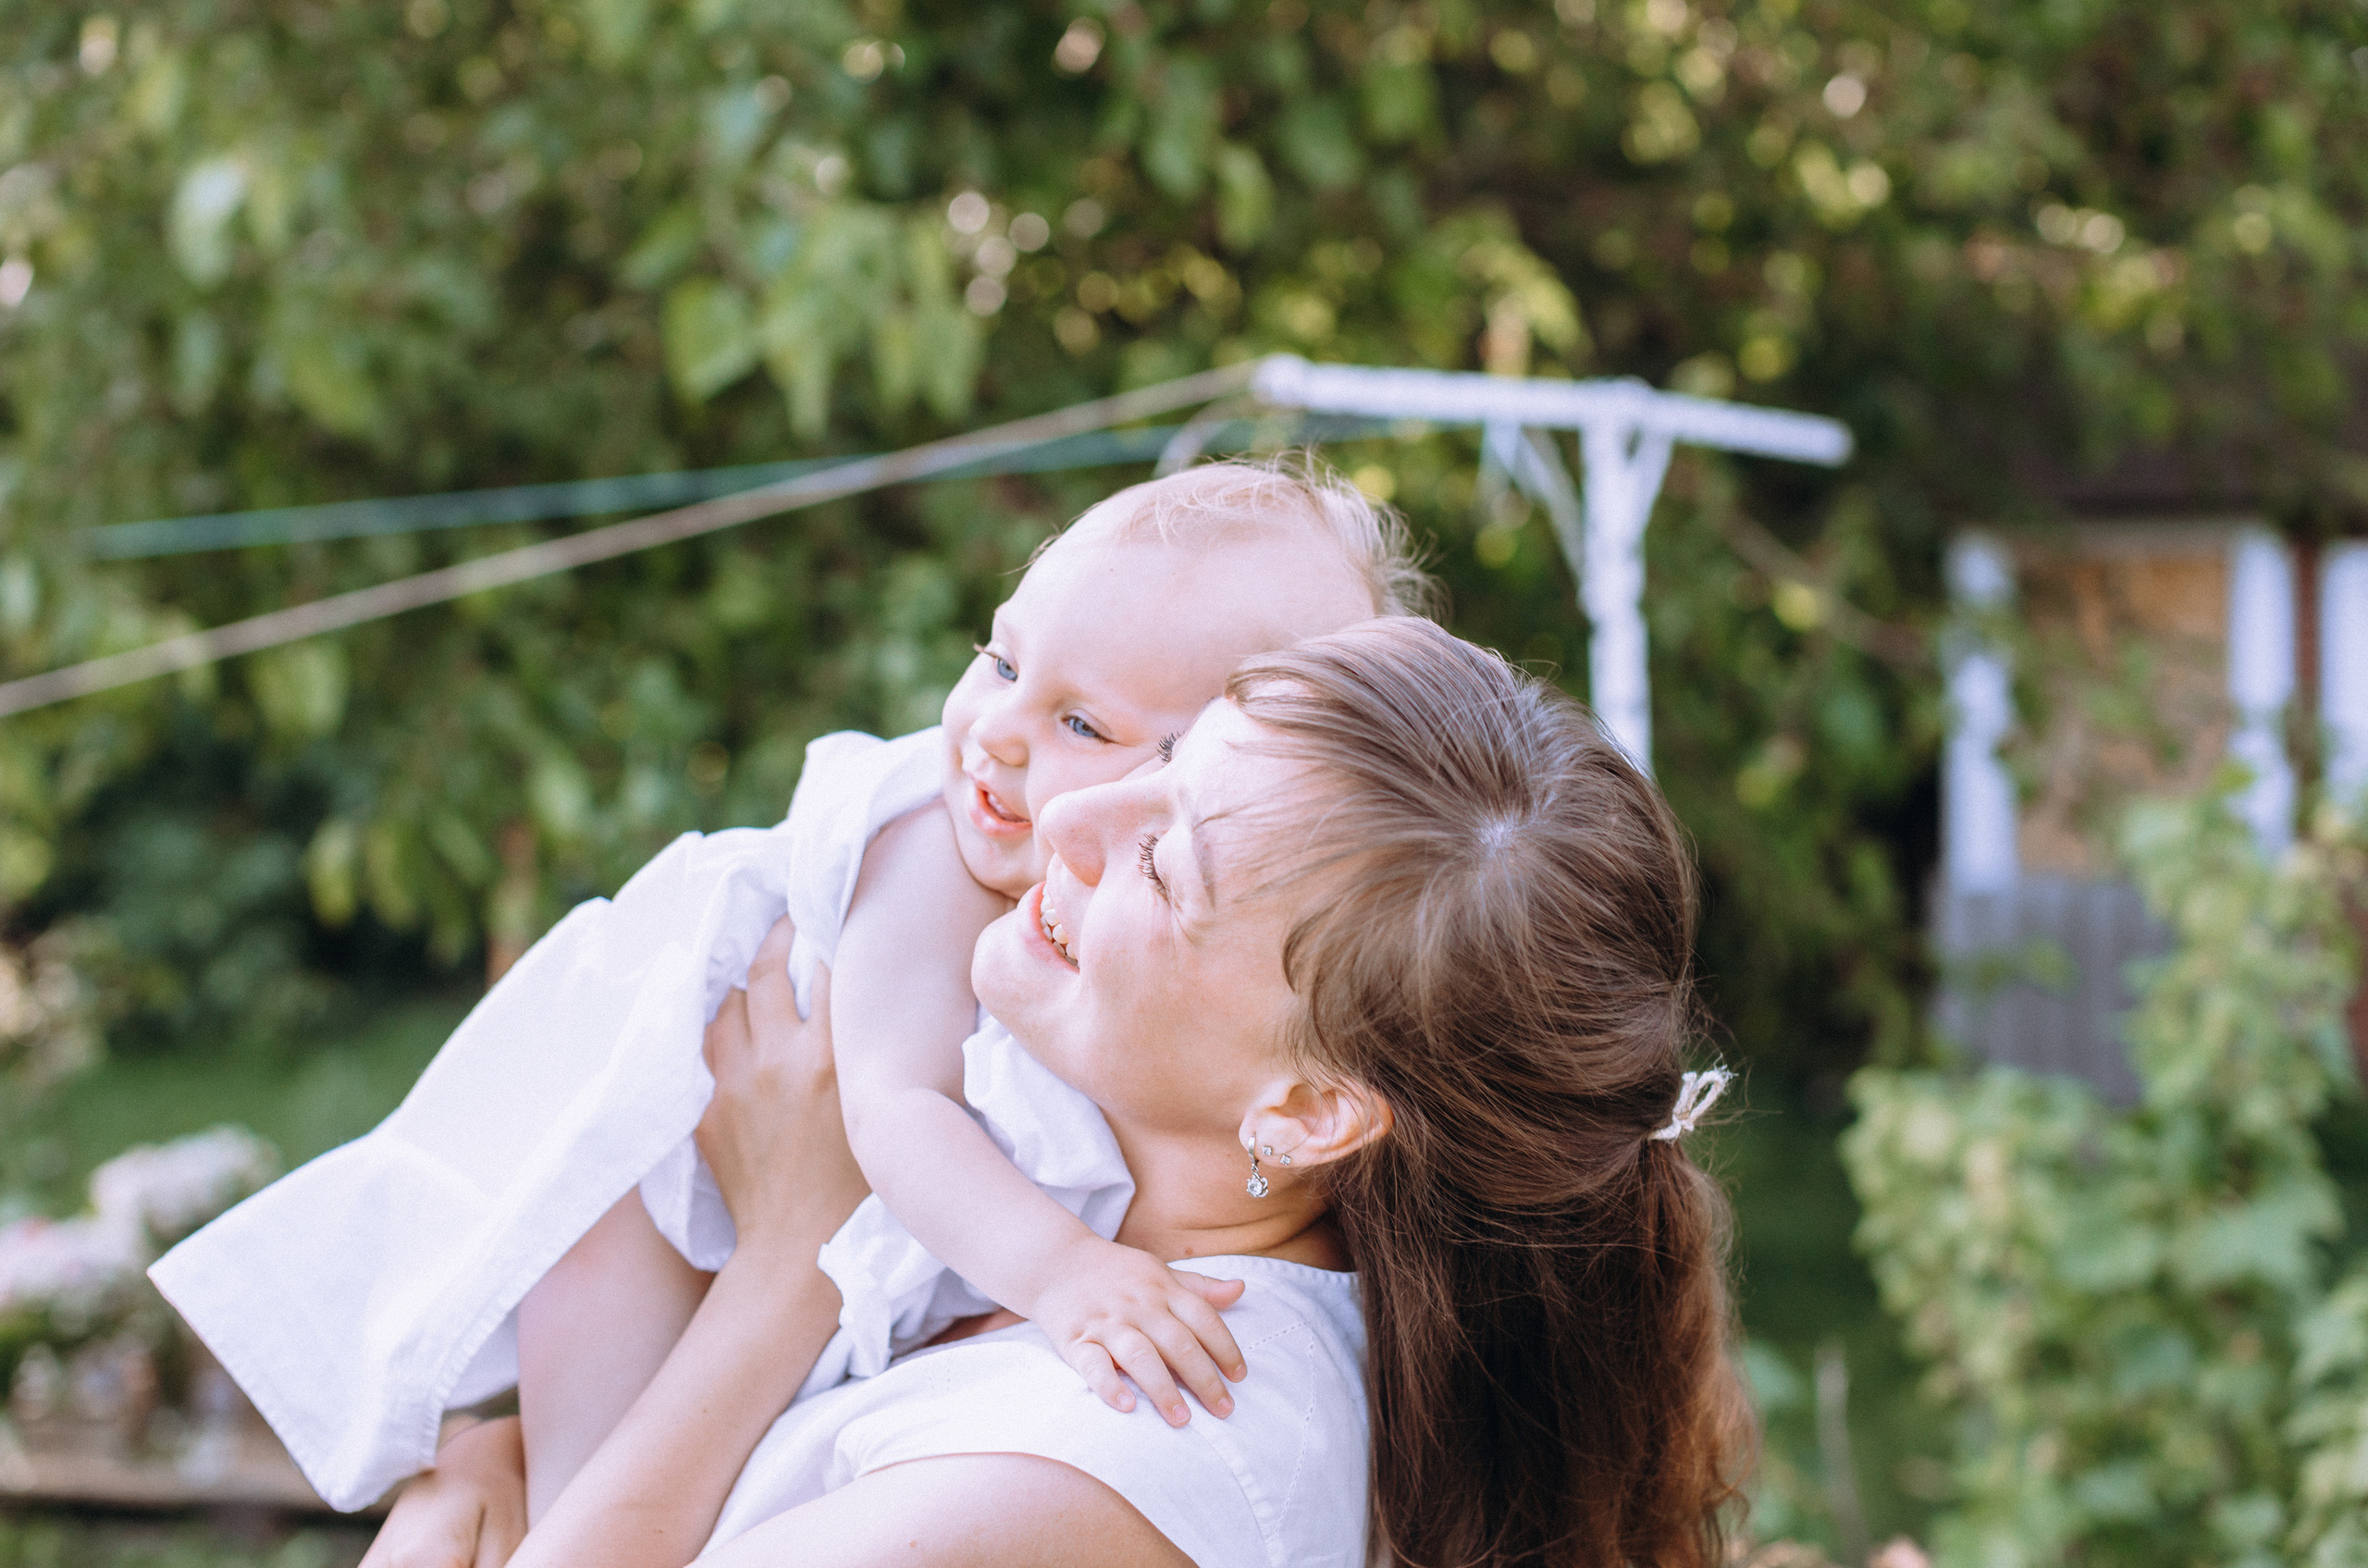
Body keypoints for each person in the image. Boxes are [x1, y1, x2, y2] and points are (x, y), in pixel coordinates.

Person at [150, 462, 1430, 1517]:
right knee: (588, 1488)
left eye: (1082, 725)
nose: (994, 732)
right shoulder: (931, 846)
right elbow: (885, 1108)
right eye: (999, 661)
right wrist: (1063, 1277)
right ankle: (532, 1488)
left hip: (777, 1212)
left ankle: (523, 1487)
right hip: (655, 1159)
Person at [365, 618, 1754, 1568]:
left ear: (1309, 1111)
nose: (1071, 821)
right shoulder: (1047, 1210)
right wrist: (503, 1465)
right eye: (1160, 764)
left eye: (1167, 866)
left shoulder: (1120, 1447)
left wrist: (793, 1255)